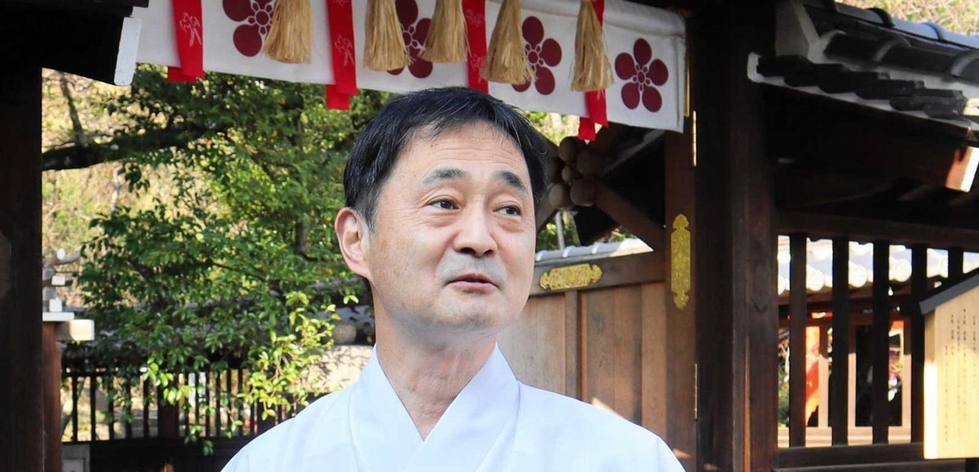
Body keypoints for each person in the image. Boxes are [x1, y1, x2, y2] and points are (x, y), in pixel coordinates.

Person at [222, 87, 684, 471]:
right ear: (357, 240)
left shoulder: (626, 460)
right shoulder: (270, 464)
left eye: (509, 209)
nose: (480, 239)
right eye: (444, 203)